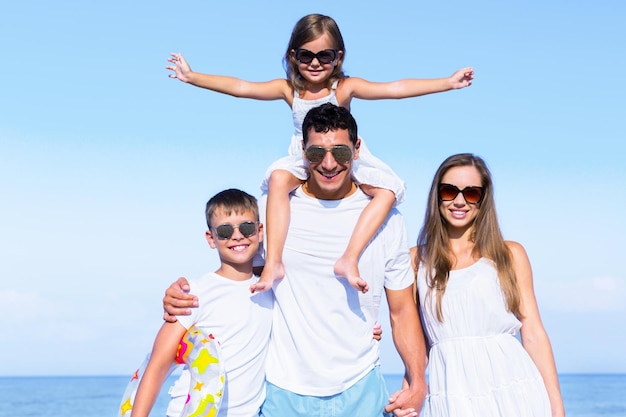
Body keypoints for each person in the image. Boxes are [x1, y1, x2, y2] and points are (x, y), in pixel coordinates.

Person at [166, 13, 474, 294]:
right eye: (306, 55)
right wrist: (193, 77)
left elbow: (394, 88)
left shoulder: (344, 88)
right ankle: (273, 262)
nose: (315, 63)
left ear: (337, 57)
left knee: (387, 192)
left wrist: (447, 83)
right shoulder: (290, 90)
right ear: (293, 56)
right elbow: (242, 86)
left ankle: (349, 258)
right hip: (305, 157)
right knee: (276, 179)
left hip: (343, 158)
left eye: (323, 56)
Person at [163, 103, 428, 417]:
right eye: (316, 153)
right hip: (283, 391)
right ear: (303, 150)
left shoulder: (388, 220)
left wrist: (419, 381)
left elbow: (401, 311)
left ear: (356, 150)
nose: (329, 164)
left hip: (361, 387)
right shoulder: (274, 208)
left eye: (340, 152)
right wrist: (184, 295)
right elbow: (238, 275)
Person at [410, 153, 565, 416]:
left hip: (514, 390)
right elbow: (413, 341)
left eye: (471, 193)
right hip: (451, 393)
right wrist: (411, 389)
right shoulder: (416, 260)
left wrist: (557, 409)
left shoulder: (510, 255)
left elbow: (534, 333)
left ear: (483, 200)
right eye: (449, 191)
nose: (459, 201)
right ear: (437, 195)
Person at [131, 189, 273, 417]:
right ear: (211, 238)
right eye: (225, 231)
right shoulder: (194, 293)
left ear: (259, 231)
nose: (237, 236)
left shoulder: (269, 289)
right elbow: (158, 364)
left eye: (246, 227)